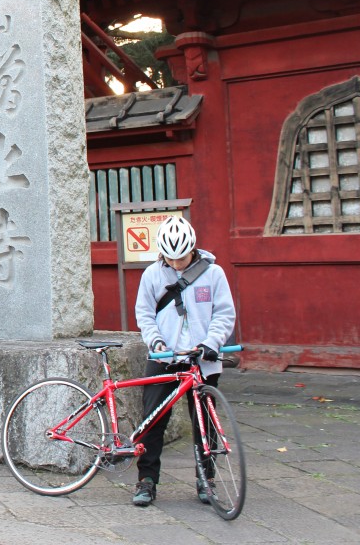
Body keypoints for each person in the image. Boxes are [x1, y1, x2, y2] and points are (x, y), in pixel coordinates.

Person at [131, 216, 236, 508]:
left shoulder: (213, 274)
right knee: (152, 420)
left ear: (193, 249)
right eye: (170, 258)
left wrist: (210, 343)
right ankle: (147, 480)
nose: (176, 264)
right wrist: (156, 342)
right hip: (164, 357)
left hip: (202, 359)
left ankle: (206, 478)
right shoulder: (151, 275)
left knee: (205, 422)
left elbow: (224, 314)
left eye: (182, 257)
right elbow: (145, 315)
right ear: (161, 253)